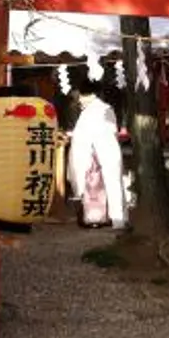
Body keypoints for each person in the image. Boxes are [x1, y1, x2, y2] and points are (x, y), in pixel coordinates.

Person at [67, 78, 127, 230]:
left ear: (88, 95)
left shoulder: (94, 111)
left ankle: (109, 218)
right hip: (103, 151)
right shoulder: (105, 109)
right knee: (109, 186)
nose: (79, 100)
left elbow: (85, 135)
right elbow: (113, 130)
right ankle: (113, 218)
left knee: (101, 187)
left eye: (80, 96)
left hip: (97, 152)